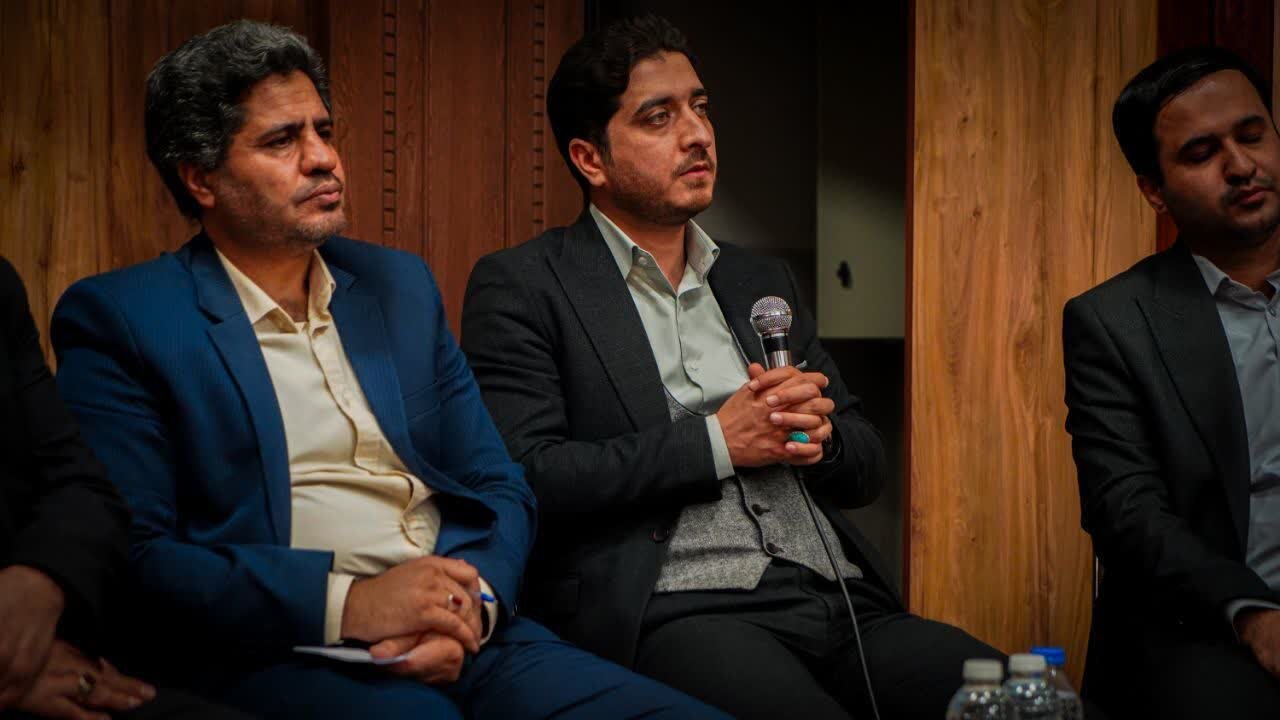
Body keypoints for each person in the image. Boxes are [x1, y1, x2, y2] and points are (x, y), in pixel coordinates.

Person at [50, 19, 726, 720]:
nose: (323, 159)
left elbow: (497, 483)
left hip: (472, 634)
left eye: (322, 130)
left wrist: (472, 605)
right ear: (201, 178)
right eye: (282, 141)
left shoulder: (396, 286)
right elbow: (138, 559)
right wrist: (351, 604)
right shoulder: (126, 318)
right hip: (285, 650)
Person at [461, 14, 1004, 720]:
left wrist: (821, 437)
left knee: (1020, 701)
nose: (698, 134)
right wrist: (719, 442)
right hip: (680, 607)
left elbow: (865, 465)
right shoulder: (527, 283)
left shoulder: (758, 280)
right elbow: (531, 475)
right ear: (591, 159)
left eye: (700, 107)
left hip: (837, 594)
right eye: (659, 117)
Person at [1064, 46, 1280, 718]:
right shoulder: (1114, 321)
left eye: (1252, 135)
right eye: (1202, 153)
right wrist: (1251, 613)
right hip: (1209, 622)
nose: (1241, 166)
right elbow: (1126, 510)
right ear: (1154, 190)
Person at [0, 257, 247, 720]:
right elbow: (147, 554)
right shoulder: (119, 314)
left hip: (43, 642)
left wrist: (40, 580)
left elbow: (82, 486)